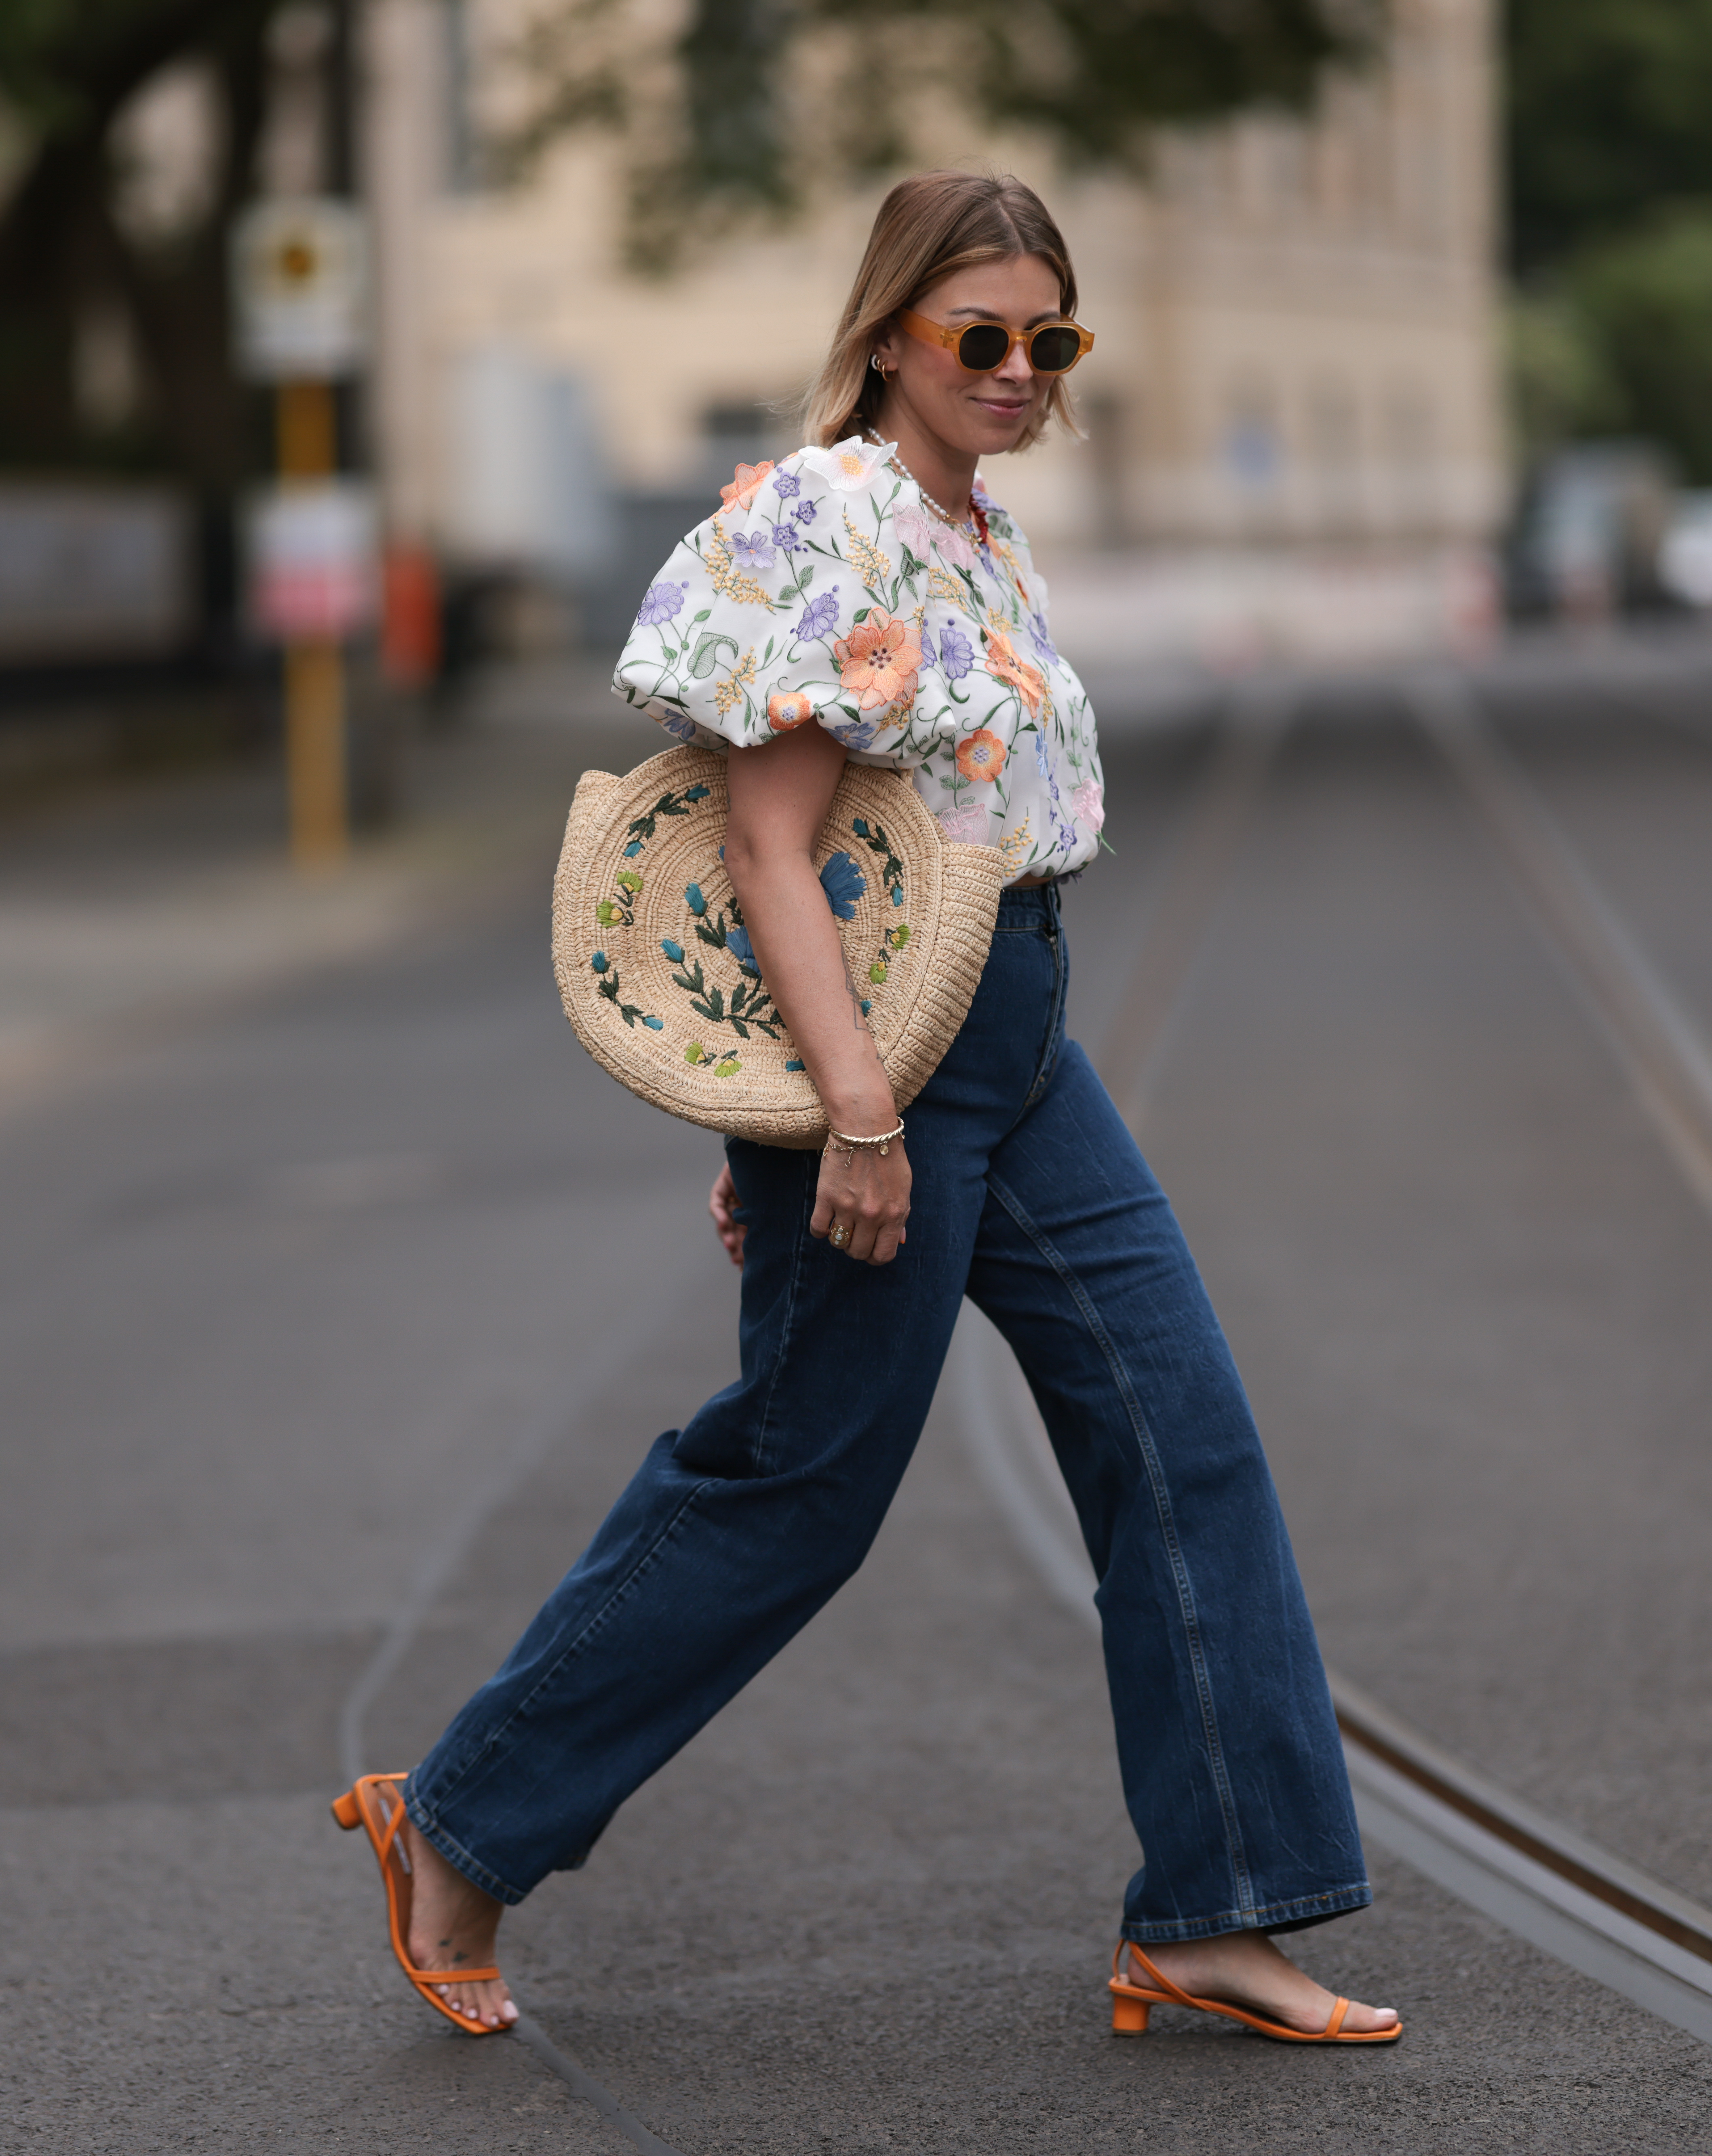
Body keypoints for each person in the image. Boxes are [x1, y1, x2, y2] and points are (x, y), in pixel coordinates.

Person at [331, 169, 1399, 2049]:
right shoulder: (824, 520)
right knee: (798, 1481)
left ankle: (1218, 1903)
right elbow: (765, 841)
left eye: (1045, 340)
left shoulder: (977, 534)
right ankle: (460, 1815)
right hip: (887, 1065)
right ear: (889, 328)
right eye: (975, 334)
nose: (1013, 369)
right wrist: (839, 1115)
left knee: (1181, 1434)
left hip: (1016, 1033)